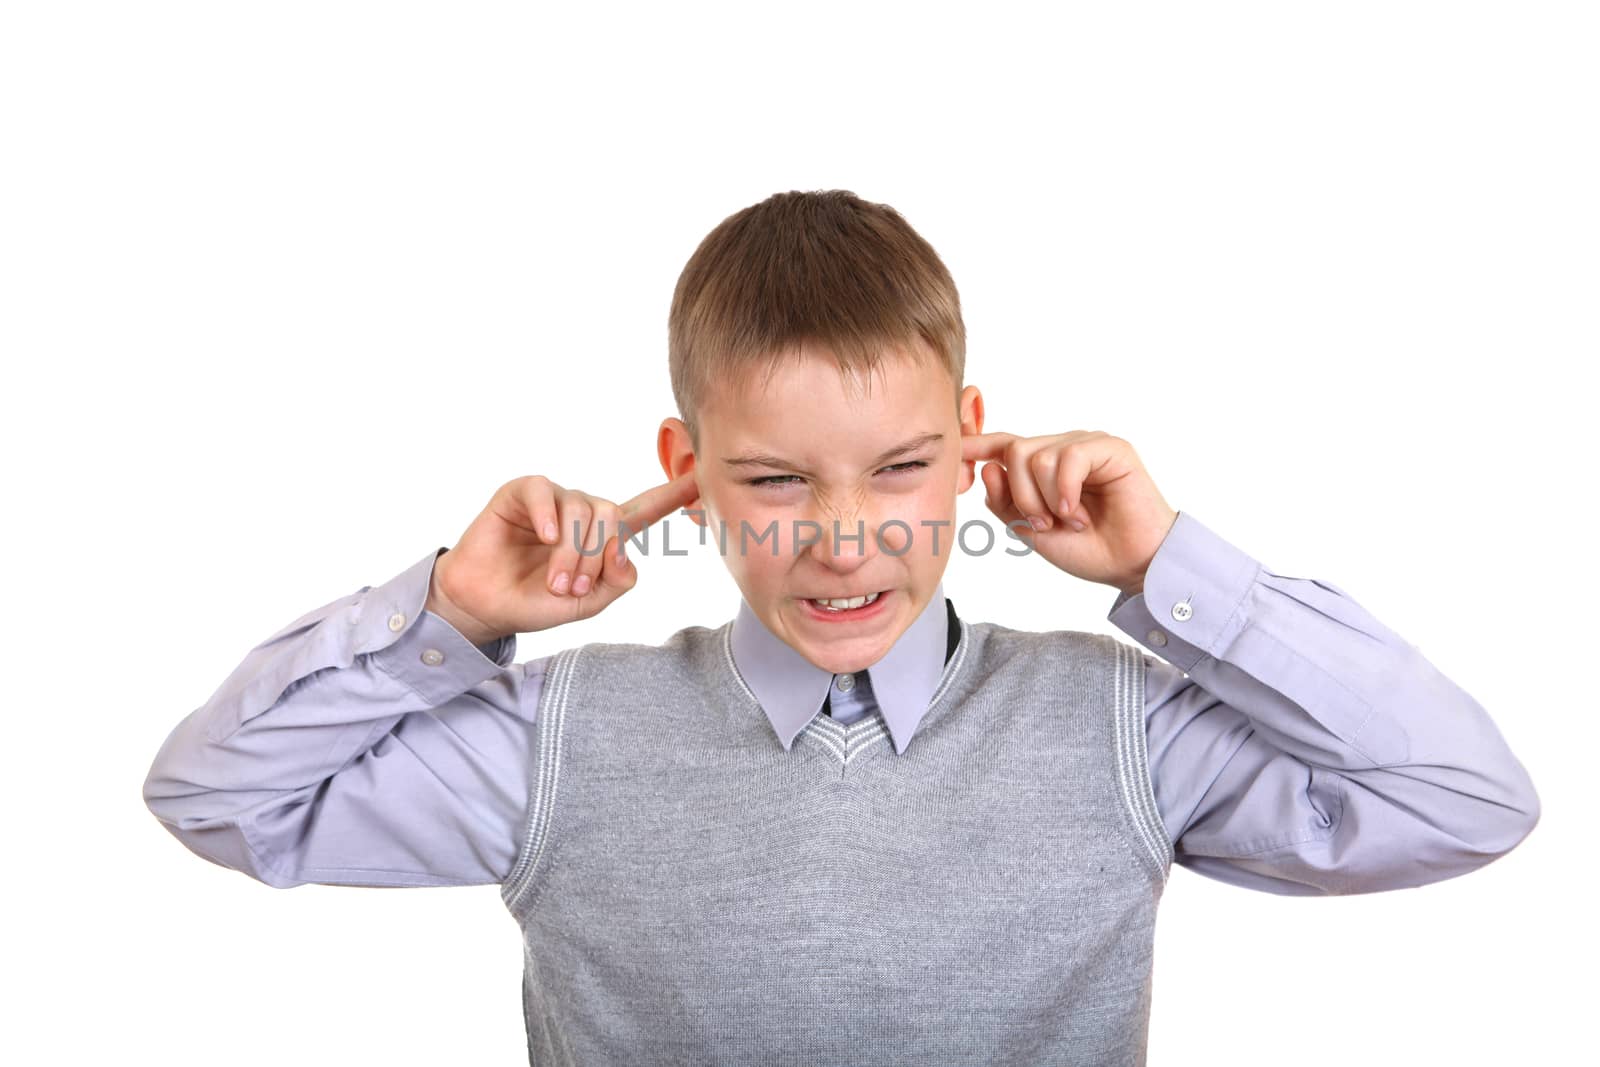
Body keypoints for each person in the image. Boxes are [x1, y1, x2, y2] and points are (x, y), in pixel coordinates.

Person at [142, 189, 1540, 1065]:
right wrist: (444, 609)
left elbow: (1466, 800)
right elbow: (217, 796)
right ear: (685, 469)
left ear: (973, 445)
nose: (844, 536)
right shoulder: (559, 739)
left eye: (900, 467)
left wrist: (1171, 563)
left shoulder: (1117, 724)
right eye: (771, 480)